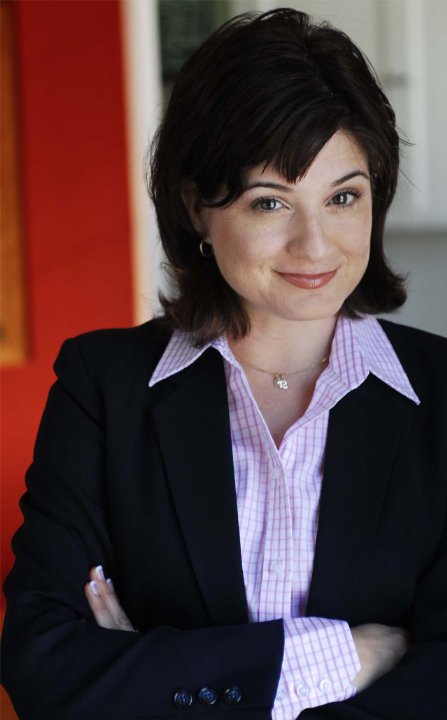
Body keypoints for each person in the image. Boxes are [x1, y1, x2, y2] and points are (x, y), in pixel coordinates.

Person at [2, 8, 446, 720]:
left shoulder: (442, 396)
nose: (315, 244)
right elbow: (44, 668)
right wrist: (342, 657)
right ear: (195, 209)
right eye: (269, 202)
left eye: (343, 197)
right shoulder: (103, 387)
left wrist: (156, 679)